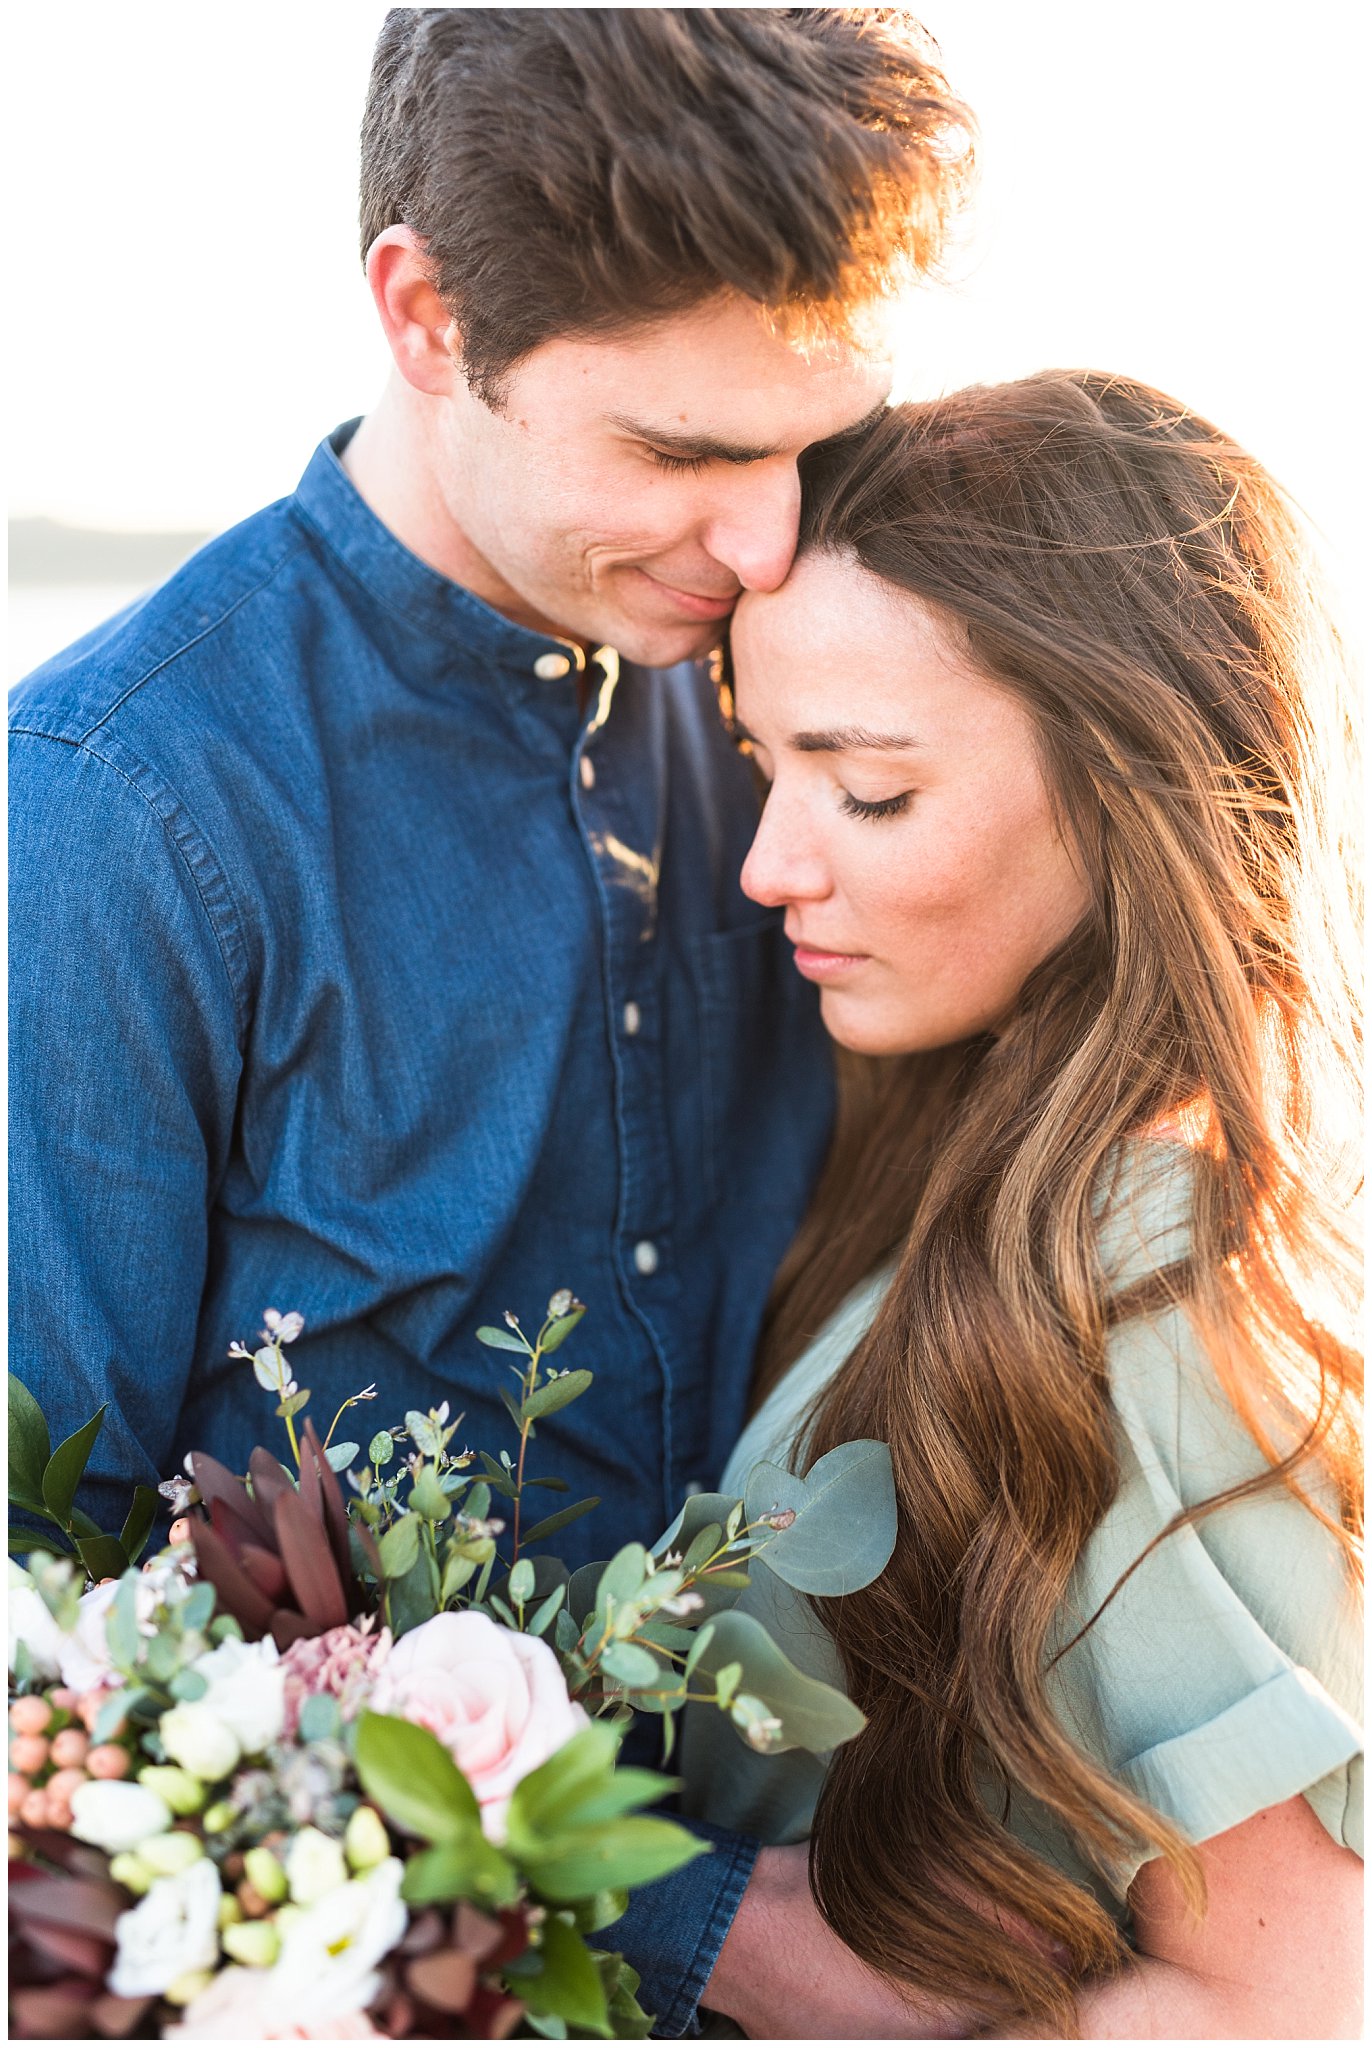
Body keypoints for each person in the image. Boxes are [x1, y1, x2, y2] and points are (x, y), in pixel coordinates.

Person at [8, 7, 986, 2034]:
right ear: (424, 309)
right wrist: (730, 1937)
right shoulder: (117, 807)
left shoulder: (808, 694)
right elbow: (45, 1635)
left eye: (811, 445)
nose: (766, 538)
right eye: (681, 450)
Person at [692, 370, 1363, 2037]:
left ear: (1127, 794)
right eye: (763, 760)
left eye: (869, 788)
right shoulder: (974, 1163)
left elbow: (1282, 2007)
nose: (769, 863)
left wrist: (703, 1929)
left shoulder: (1142, 1301)